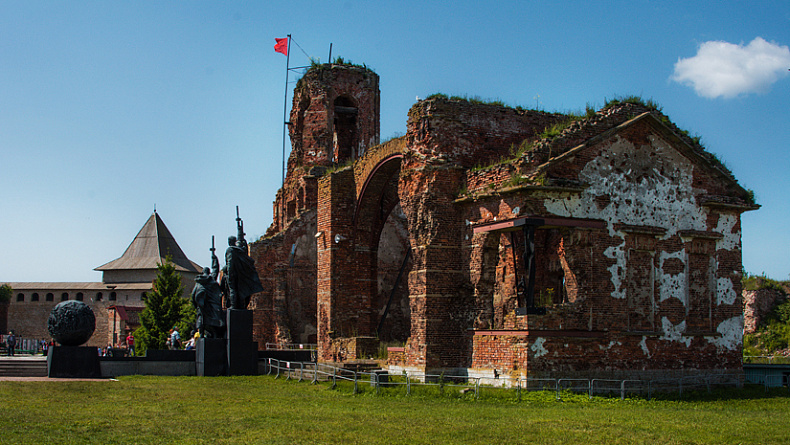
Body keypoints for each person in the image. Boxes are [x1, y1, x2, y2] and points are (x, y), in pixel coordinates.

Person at [191, 250, 225, 338]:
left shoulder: (198, 283)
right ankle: (215, 335)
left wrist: (196, 305)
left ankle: (202, 335)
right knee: (215, 320)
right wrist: (214, 258)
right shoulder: (211, 279)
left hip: (202, 306)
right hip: (212, 306)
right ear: (209, 272)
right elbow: (215, 269)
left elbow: (193, 296)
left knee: (201, 319)